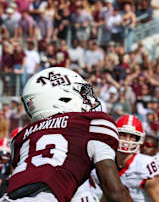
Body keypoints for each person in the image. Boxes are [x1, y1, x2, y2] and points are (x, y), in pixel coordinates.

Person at [1, 67, 131, 202]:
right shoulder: (90, 124)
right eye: (80, 93)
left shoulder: (21, 137)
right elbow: (115, 192)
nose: (86, 99)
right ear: (60, 96)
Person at [109, 115, 159, 202]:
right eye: (123, 135)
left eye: (132, 136)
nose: (127, 140)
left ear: (139, 139)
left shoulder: (144, 165)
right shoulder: (107, 161)